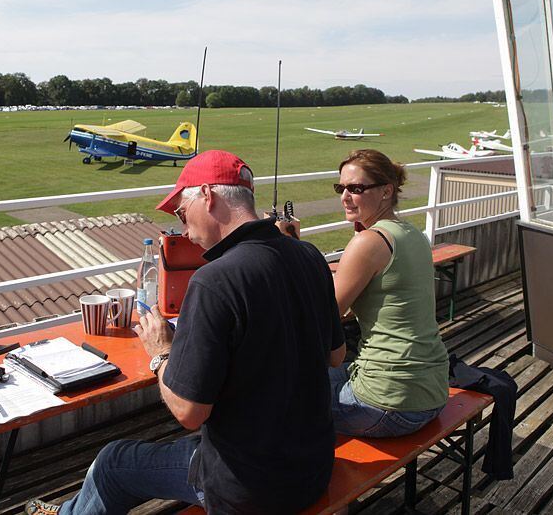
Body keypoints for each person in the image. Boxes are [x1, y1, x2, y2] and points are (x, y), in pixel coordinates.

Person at [25, 150, 345, 515]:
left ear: (208, 196)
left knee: (113, 462)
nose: (185, 231)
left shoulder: (214, 280)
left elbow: (189, 412)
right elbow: (335, 356)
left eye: (181, 213)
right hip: (312, 468)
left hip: (251, 489)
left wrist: (161, 351)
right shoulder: (309, 256)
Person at [328, 149, 449, 438]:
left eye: (356, 188)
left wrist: (288, 246)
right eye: (340, 187)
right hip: (431, 392)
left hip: (387, 405)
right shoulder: (412, 234)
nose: (345, 196)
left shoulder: (367, 242)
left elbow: (326, 314)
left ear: (386, 191)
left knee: (284, 398)